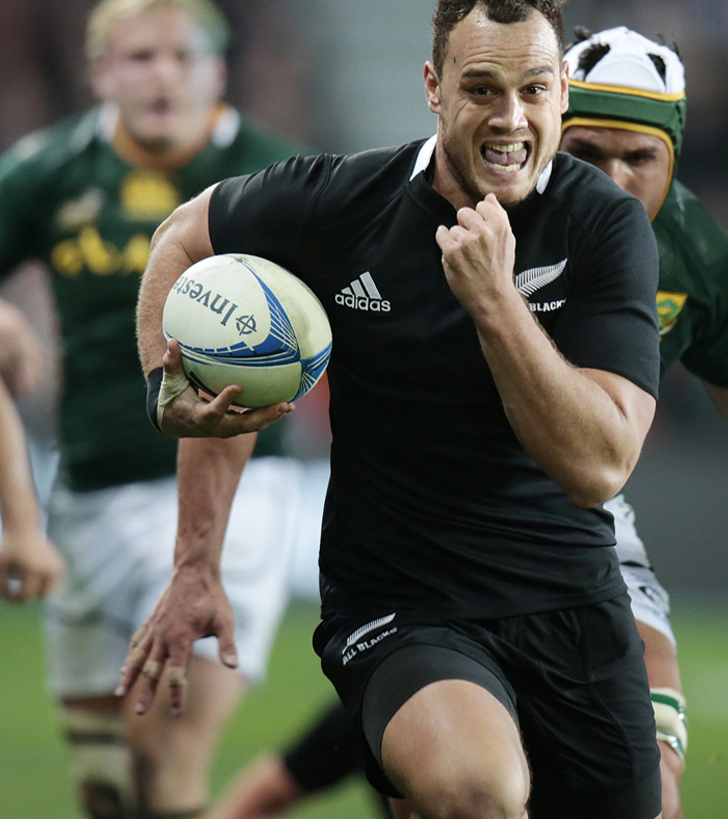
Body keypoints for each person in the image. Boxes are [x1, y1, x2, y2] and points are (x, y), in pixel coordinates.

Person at [203, 26, 728, 819]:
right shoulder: (464, 211)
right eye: (589, 150)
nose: (612, 177)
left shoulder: (691, 255)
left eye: (640, 156)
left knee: (651, 791)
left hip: (577, 531)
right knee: (453, 782)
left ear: (674, 161)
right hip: (422, 546)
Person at [129, 0, 671, 815]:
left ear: (562, 91)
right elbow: (183, 237)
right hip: (401, 604)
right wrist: (164, 396)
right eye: (482, 89)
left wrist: (497, 302)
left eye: (532, 89)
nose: (511, 119)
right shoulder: (345, 203)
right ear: (434, 88)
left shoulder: (607, 227)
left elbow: (599, 464)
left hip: (570, 602)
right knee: (478, 790)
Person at [0, 1, 304, 817]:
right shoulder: (51, 170)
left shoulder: (279, 174)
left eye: (182, 56)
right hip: (87, 494)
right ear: (101, 74)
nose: (163, 74)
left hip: (236, 498)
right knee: (106, 785)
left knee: (163, 756)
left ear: (218, 72)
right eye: (139, 56)